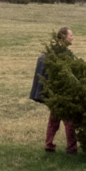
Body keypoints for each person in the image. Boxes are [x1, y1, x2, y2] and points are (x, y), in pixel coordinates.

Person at [30, 26, 78, 154]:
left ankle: (49, 145)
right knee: (69, 120)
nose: (73, 37)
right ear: (63, 37)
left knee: (54, 119)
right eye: (71, 35)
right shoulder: (64, 54)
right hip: (61, 92)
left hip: (53, 93)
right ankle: (71, 148)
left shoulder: (51, 52)